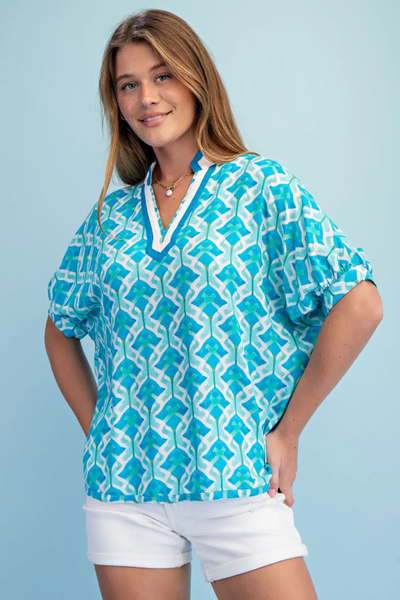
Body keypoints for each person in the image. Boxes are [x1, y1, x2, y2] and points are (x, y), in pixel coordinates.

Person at [44, 8, 383, 600]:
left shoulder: (260, 185)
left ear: (196, 78)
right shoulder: (111, 217)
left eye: (163, 75)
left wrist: (289, 432)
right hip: (124, 494)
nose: (147, 98)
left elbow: (361, 305)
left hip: (235, 475)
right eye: (128, 85)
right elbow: (59, 328)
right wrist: (101, 431)